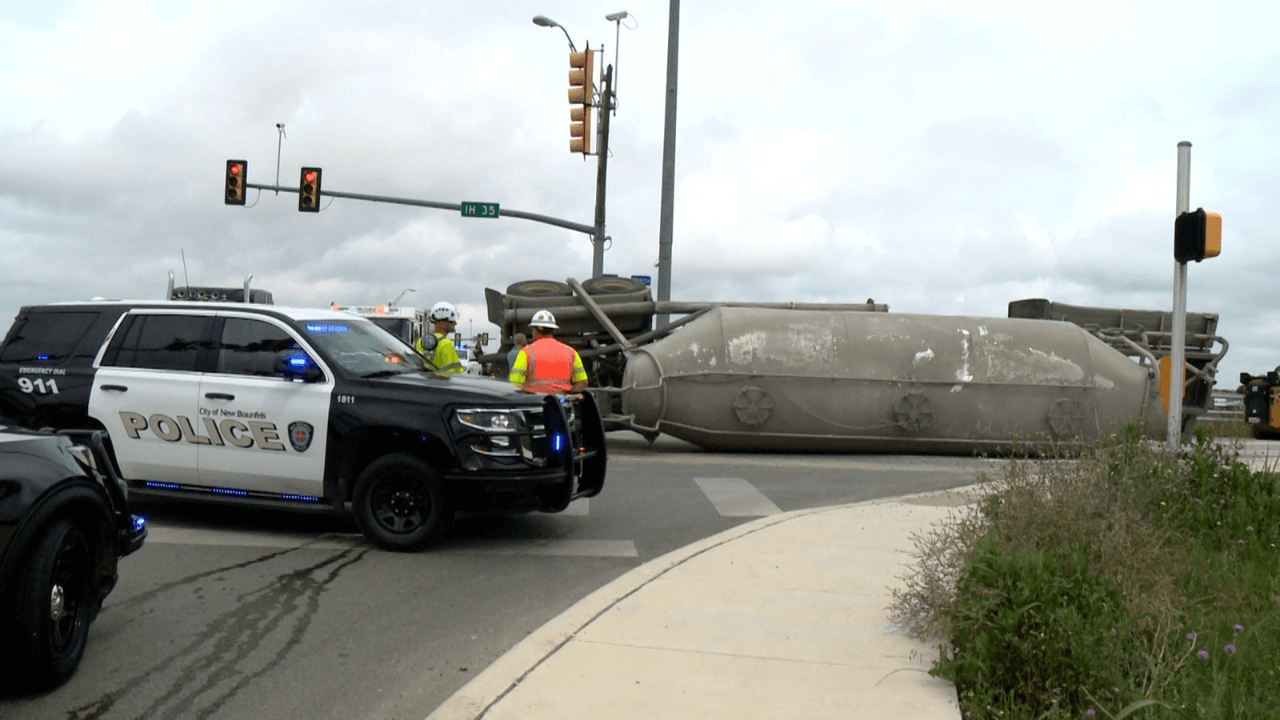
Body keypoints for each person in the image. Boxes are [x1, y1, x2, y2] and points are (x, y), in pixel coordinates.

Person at [508, 310, 588, 393]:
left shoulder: (526, 352)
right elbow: (582, 382)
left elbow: (514, 382)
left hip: (536, 403)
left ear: (536, 329)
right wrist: (566, 394)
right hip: (560, 403)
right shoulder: (571, 352)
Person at [417, 301, 464, 374]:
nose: (455, 323)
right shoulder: (446, 343)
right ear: (442, 322)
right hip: (442, 384)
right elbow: (453, 373)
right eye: (451, 321)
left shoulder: (420, 342)